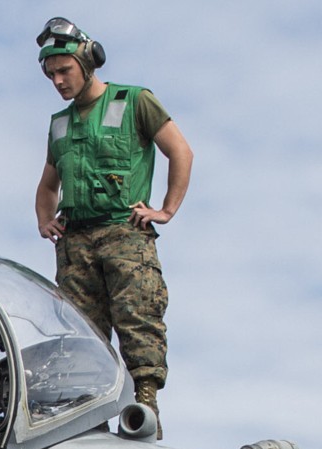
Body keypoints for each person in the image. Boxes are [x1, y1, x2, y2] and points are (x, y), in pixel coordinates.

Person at [32, 17, 194, 419]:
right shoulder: (60, 124)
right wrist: (44, 219)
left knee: (138, 321)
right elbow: (48, 185)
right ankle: (87, 417)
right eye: (51, 74)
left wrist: (166, 210)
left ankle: (145, 410)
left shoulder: (135, 101)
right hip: (76, 245)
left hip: (125, 232)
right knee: (81, 340)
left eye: (64, 70)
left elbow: (181, 152)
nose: (58, 81)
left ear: (89, 62)